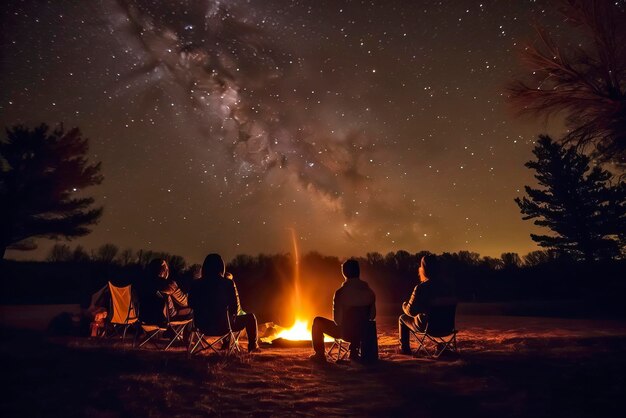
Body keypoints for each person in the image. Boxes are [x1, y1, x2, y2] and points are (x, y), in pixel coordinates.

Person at [189, 253, 259, 353]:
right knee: (250, 317)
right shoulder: (228, 283)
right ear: (222, 267)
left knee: (226, 317)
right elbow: (234, 307)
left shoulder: (195, 284)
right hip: (223, 326)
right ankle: (253, 346)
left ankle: (226, 344)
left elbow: (191, 303)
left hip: (201, 325)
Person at [310, 259, 377, 363]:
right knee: (358, 324)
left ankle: (319, 355)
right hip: (363, 333)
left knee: (317, 321)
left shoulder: (340, 293)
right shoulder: (370, 292)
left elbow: (337, 320)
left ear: (344, 273)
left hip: (345, 332)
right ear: (358, 272)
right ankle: (354, 352)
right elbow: (372, 316)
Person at [398, 254, 454, 354]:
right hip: (447, 327)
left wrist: (404, 306)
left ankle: (404, 349)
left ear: (423, 269)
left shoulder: (421, 288)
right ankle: (441, 346)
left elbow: (411, 311)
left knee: (402, 318)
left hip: (430, 327)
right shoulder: (447, 287)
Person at [136, 258, 191, 326]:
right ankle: (180, 335)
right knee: (193, 309)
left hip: (144, 317)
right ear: (164, 270)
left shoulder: (142, 284)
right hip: (164, 318)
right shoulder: (169, 285)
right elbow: (185, 302)